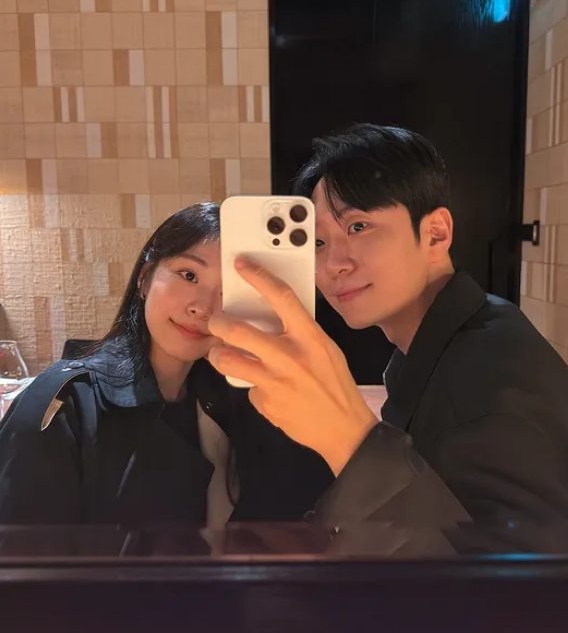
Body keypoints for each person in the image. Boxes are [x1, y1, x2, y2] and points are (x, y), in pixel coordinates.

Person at [207, 124, 568, 552]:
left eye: (358, 226)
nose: (333, 264)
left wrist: (347, 438)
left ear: (435, 233)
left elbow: (526, 587)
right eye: (317, 241)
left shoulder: (490, 374)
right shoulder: (442, 344)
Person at [0, 203, 333, 526]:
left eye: (228, 290)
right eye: (189, 275)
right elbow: (25, 554)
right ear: (145, 279)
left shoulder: (242, 402)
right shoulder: (64, 405)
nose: (202, 307)